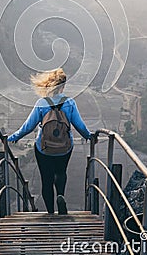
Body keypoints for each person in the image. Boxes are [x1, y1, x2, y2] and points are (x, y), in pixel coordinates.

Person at [7, 68, 92, 215]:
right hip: (65, 148)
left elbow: (28, 127)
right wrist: (90, 136)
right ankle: (60, 195)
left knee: (46, 180)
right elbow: (80, 126)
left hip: (44, 148)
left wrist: (13, 137)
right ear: (63, 86)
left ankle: (51, 212)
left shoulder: (42, 103)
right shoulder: (70, 103)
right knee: (61, 172)